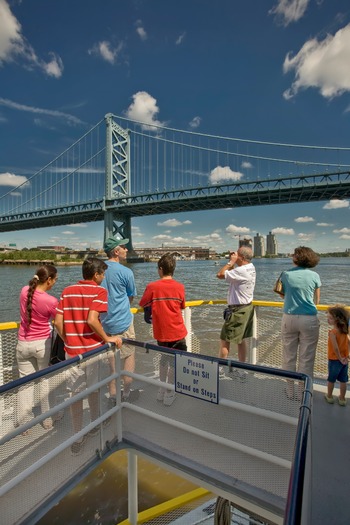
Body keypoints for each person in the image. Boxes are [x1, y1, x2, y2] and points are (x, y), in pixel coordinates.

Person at [54, 258, 122, 455]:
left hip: (71, 353)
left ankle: (78, 436)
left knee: (75, 395)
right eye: (103, 274)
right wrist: (107, 337)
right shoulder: (99, 292)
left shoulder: (67, 291)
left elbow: (58, 322)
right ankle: (94, 424)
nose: (103, 277)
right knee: (93, 390)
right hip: (92, 352)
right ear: (96, 275)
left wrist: (69, 340)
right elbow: (92, 320)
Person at [139, 253, 187, 406]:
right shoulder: (180, 287)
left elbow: (143, 303)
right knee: (174, 361)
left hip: (161, 332)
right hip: (177, 331)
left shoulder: (152, 287)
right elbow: (182, 306)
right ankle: (169, 392)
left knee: (163, 359)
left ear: (160, 269)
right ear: (173, 269)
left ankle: (161, 389)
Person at [16, 264, 58, 432]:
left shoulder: (24, 290)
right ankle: (47, 419)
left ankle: (23, 422)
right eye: (55, 279)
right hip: (42, 345)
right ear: (48, 280)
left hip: (23, 343)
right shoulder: (51, 300)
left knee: (24, 383)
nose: (55, 283)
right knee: (45, 381)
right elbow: (59, 322)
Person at [279, 246, 321, 398]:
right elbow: (317, 300)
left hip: (289, 317)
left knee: (289, 355)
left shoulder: (285, 275)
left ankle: (290, 391)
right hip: (309, 318)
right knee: (307, 357)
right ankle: (303, 392)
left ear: (297, 258)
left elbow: (282, 294)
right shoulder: (315, 275)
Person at [101, 237, 138, 403]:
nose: (127, 250)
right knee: (129, 355)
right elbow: (131, 297)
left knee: (112, 364)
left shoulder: (98, 270)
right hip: (123, 322)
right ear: (116, 252)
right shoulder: (126, 272)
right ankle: (127, 393)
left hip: (104, 323)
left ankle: (113, 397)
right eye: (124, 247)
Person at [217, 246, 256, 380]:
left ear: (242, 258)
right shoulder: (251, 267)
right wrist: (235, 261)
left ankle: (220, 369)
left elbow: (220, 275)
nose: (235, 255)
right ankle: (242, 369)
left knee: (224, 340)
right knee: (240, 340)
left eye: (237, 254)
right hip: (247, 308)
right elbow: (235, 275)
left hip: (237, 310)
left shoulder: (241, 270)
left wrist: (230, 262)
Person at [324, 305, 350, 406]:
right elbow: (349, 342)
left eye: (330, 318)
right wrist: (347, 356)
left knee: (331, 379)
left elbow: (335, 348)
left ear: (337, 320)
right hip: (345, 359)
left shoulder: (333, 332)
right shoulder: (345, 331)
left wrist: (339, 358)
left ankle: (329, 396)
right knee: (343, 380)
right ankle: (342, 399)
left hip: (335, 359)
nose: (328, 320)